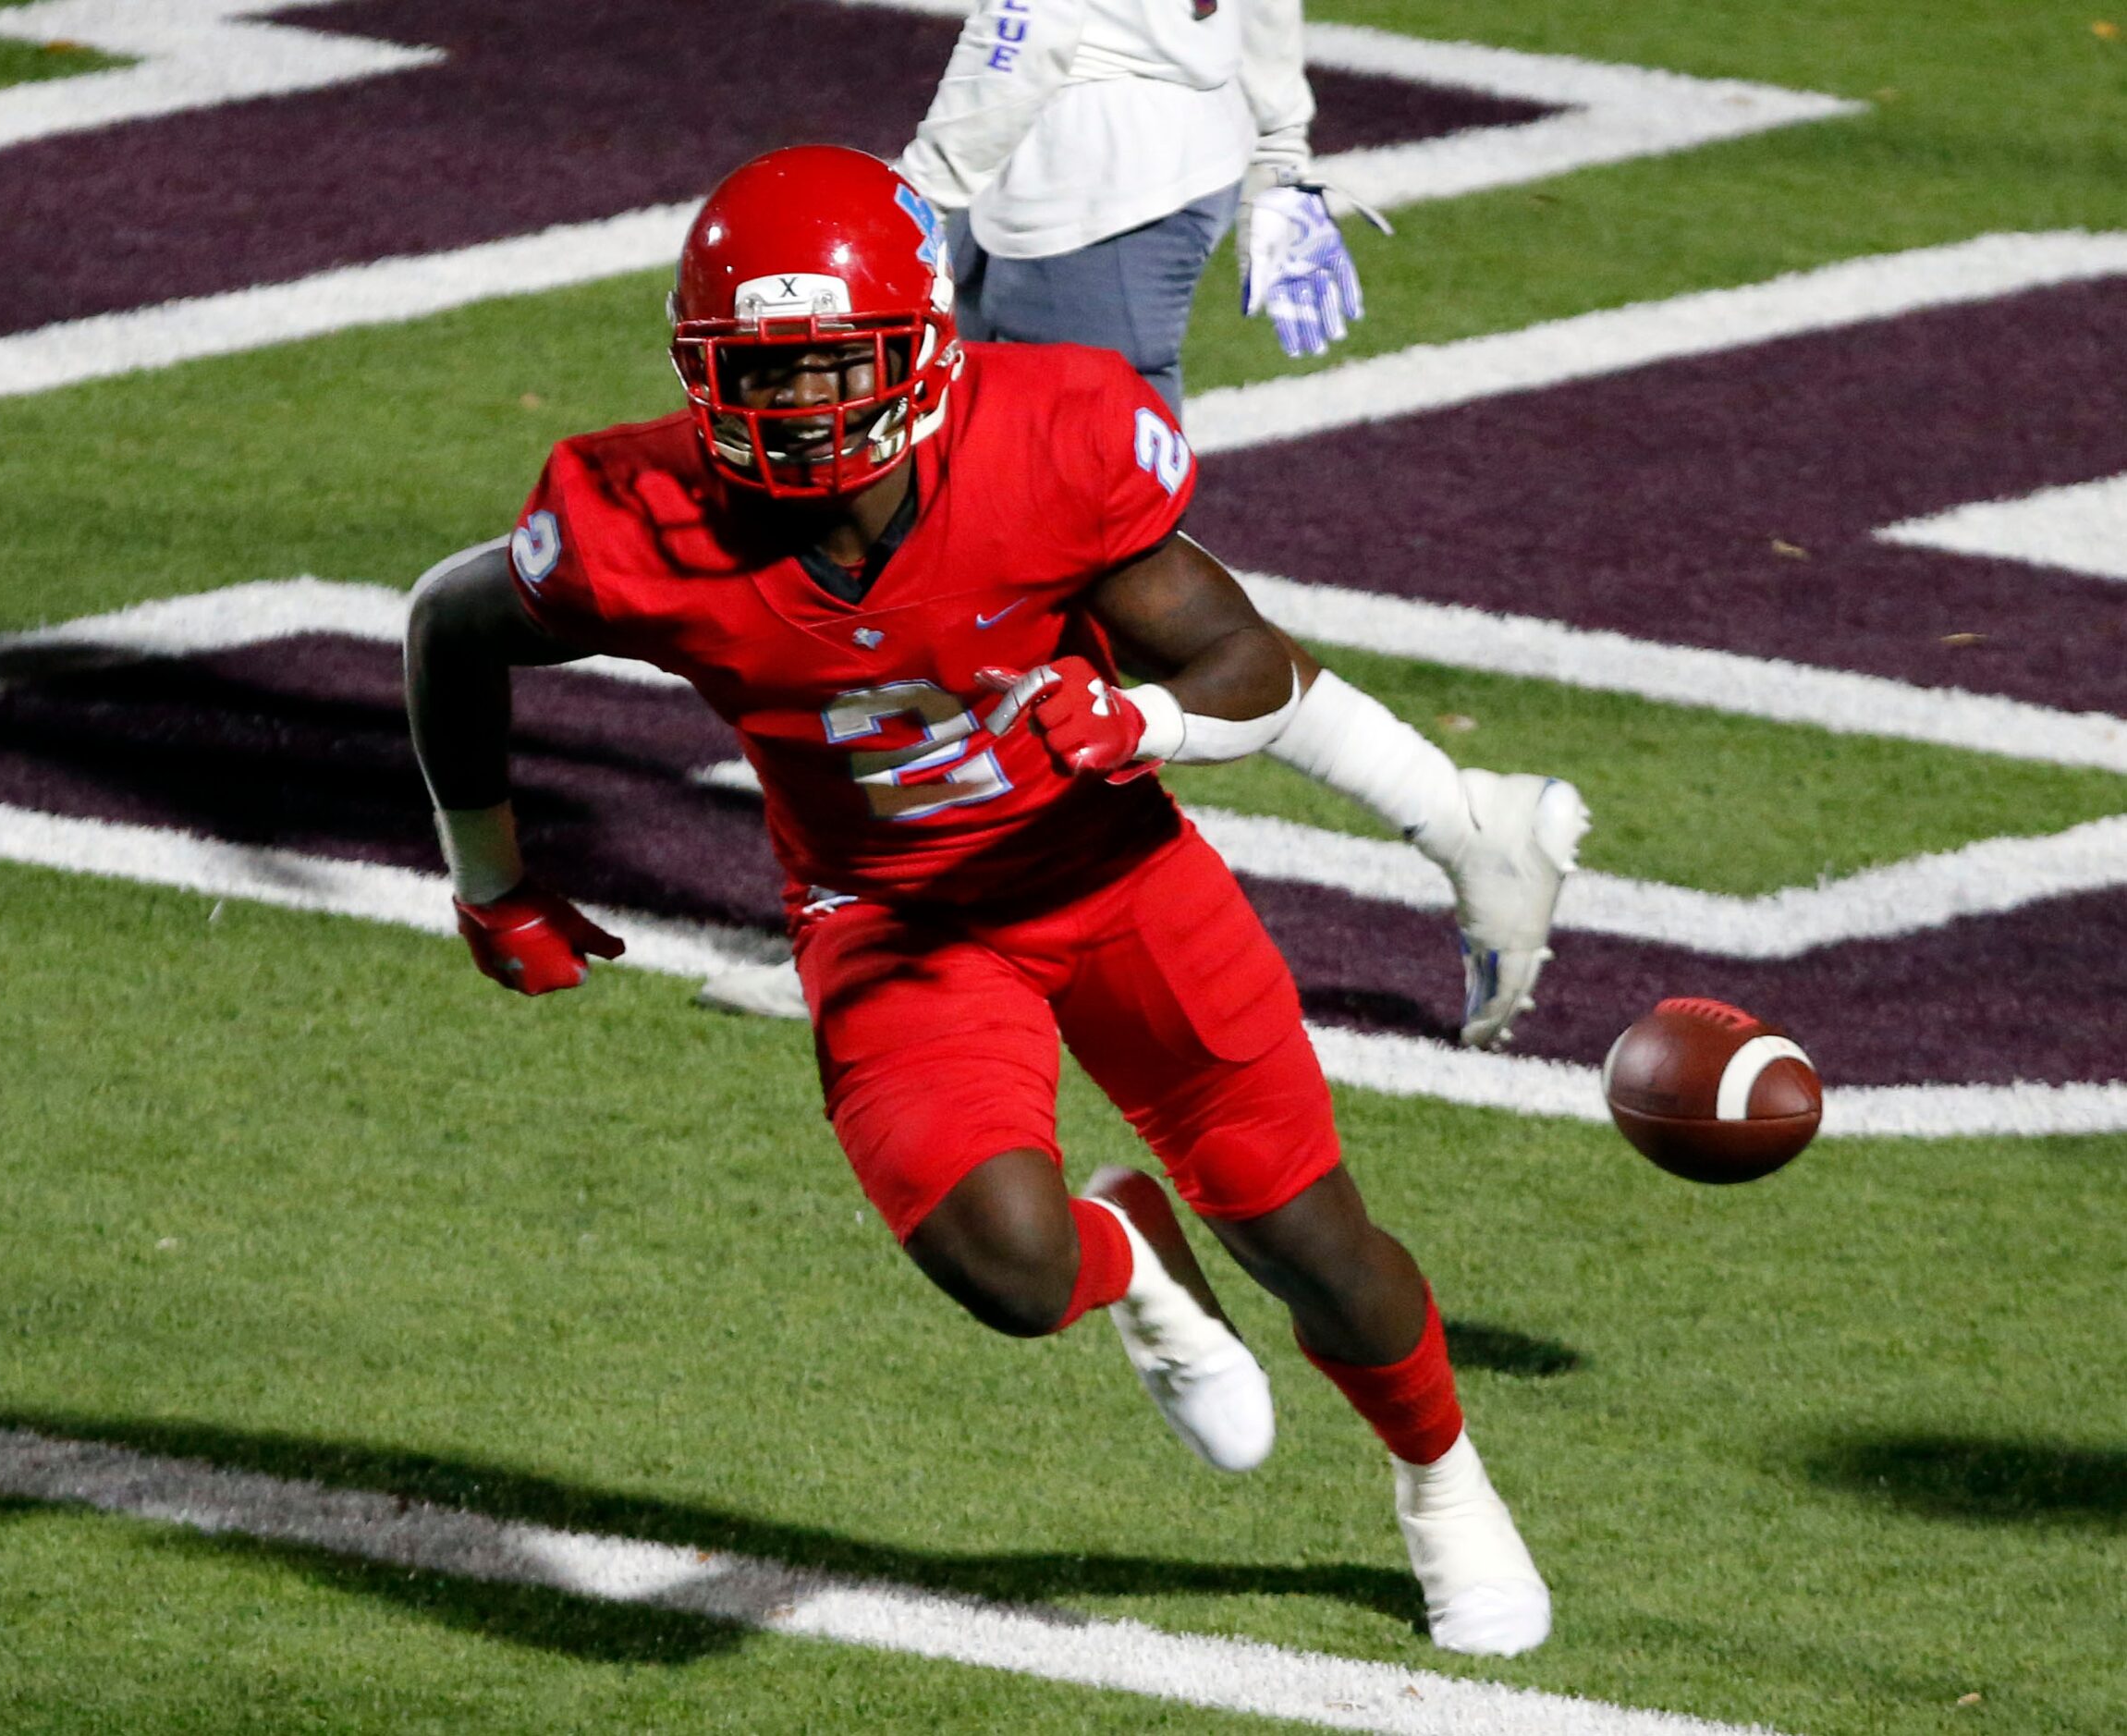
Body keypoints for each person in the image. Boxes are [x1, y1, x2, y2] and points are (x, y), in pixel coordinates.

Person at [406, 146, 1554, 1656]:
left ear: (928, 345)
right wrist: (489, 877)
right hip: (890, 919)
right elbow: (450, 621)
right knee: (1007, 1269)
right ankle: (1130, 1258)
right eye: (762, 370)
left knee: (1312, 1243)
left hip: (1115, 877)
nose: (803, 404)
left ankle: (1439, 1477)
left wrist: (1152, 729)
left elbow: (1240, 658)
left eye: (832, 363)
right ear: (700, 370)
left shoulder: (1047, 444)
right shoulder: (641, 521)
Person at [698, 4, 1575, 1043]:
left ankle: (1463, 819)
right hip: (1137, 152)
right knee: (996, 560)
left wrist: (915, 203)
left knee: (1040, 575)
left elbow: (1032, 20)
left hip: (1076, 179)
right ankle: (1460, 817)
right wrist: (1279, 145)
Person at [897, 0, 1376, 415]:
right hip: (1198, 132)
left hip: (1087, 170)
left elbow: (1025, 33)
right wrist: (1279, 143)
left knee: (1083, 450)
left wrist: (916, 198)